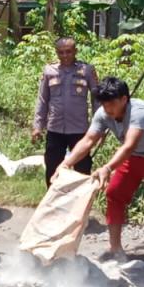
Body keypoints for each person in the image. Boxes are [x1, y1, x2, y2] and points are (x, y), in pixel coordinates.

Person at [57, 76, 144, 261]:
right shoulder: (103, 114)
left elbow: (128, 146)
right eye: (104, 104)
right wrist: (66, 163)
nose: (108, 109)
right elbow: (89, 140)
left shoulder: (139, 112)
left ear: (124, 99)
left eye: (111, 104)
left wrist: (107, 168)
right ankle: (115, 248)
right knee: (114, 193)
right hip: (134, 157)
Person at [32, 37, 100, 187]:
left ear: (75, 51)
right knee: (52, 168)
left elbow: (97, 100)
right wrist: (38, 126)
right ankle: (53, 203)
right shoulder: (50, 70)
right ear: (56, 53)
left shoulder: (86, 70)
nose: (64, 56)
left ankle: (80, 204)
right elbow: (42, 100)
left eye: (68, 52)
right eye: (60, 52)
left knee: (82, 170)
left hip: (80, 130)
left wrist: (98, 128)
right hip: (55, 129)